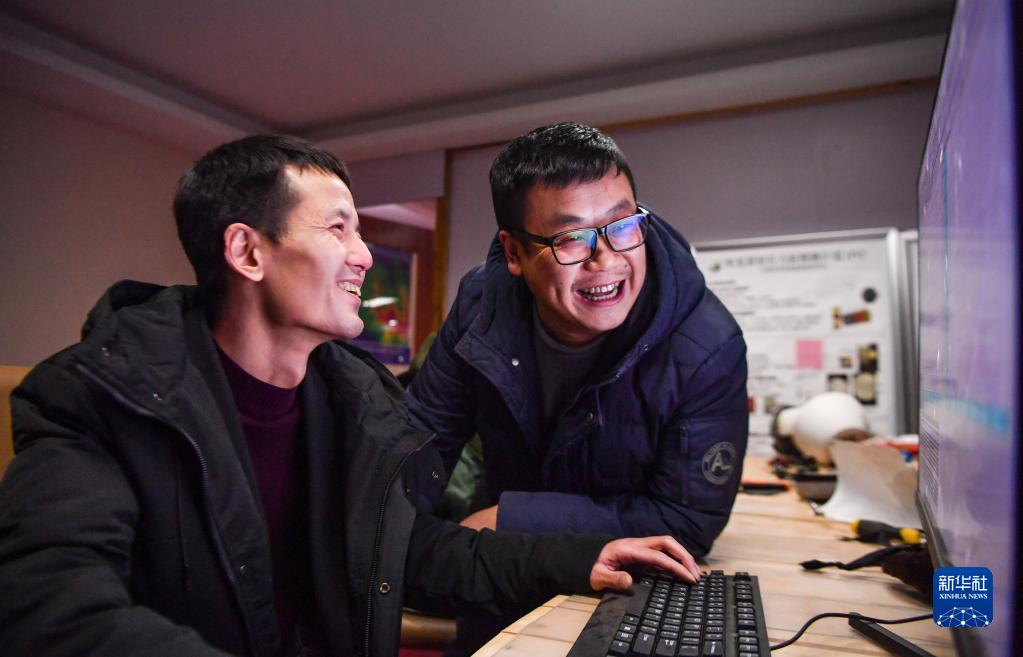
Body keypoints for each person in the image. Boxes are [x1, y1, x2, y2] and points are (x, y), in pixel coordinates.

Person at [0, 135, 702, 657]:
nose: (364, 255)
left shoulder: (350, 401)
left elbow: (411, 552)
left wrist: (578, 559)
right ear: (247, 252)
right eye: (338, 227)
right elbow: (49, 606)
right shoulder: (95, 402)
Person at [409, 121, 749, 558]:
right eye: (571, 238)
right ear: (514, 253)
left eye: (622, 226)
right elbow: (417, 452)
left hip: (609, 571)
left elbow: (687, 520)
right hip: (505, 560)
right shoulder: (481, 307)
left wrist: (511, 519)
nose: (606, 260)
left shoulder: (706, 346)